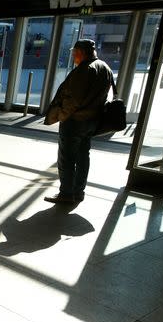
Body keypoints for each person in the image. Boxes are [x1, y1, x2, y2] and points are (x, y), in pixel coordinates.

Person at [43, 39, 113, 204]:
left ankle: (66, 194)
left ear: (81, 52)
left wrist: (61, 115)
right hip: (92, 120)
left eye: (75, 52)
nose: (74, 55)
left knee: (66, 158)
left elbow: (73, 100)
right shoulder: (104, 67)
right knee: (83, 157)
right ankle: (78, 191)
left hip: (75, 121)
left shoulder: (85, 70)